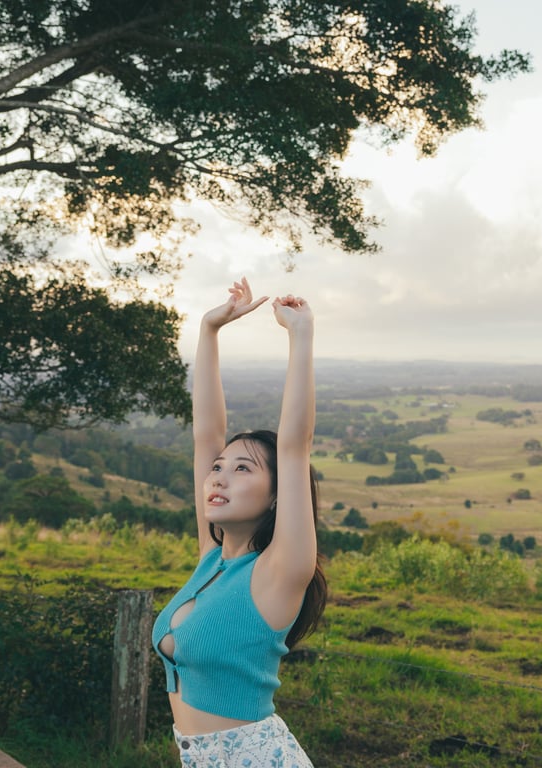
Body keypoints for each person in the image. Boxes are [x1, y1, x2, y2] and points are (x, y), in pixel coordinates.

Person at [152, 278, 326, 767]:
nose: (218, 477)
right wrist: (209, 330)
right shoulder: (211, 562)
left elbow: (294, 445)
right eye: (218, 468)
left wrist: (301, 333)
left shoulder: (279, 572)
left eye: (243, 469)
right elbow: (206, 434)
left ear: (278, 496)